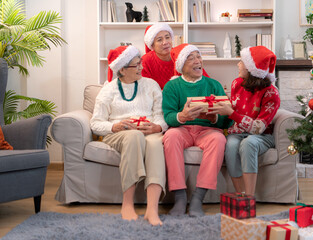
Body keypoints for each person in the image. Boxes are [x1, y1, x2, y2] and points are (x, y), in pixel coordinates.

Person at [90, 45, 168, 226]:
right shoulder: (108, 90)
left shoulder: (151, 85)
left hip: (148, 131)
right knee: (134, 136)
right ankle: (127, 204)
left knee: (156, 144)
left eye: (140, 63)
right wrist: (114, 126)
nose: (142, 67)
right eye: (136, 65)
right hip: (120, 133)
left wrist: (157, 127)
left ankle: (152, 209)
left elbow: (161, 117)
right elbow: (95, 123)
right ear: (122, 70)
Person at [162, 43, 232, 217]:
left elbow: (227, 121)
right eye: (191, 57)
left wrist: (214, 118)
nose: (197, 61)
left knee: (218, 139)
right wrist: (182, 116)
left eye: (198, 56)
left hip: (207, 131)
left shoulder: (214, 85)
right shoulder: (172, 87)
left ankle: (197, 198)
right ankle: (179, 197)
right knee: (170, 136)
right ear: (181, 66)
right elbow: (168, 116)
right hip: (182, 129)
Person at [208, 46, 280, 197]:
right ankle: (239, 194)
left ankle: (249, 196)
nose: (238, 64)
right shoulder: (237, 84)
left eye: (242, 62)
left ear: (252, 68)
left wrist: (232, 114)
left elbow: (259, 128)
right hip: (237, 133)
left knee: (249, 143)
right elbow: (231, 112)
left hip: (262, 136)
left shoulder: (271, 93)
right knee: (232, 144)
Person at [141, 22, 209, 89]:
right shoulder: (145, 61)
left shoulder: (182, 54)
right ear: (152, 45)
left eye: (167, 37)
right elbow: (145, 89)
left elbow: (206, 81)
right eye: (159, 40)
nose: (165, 42)